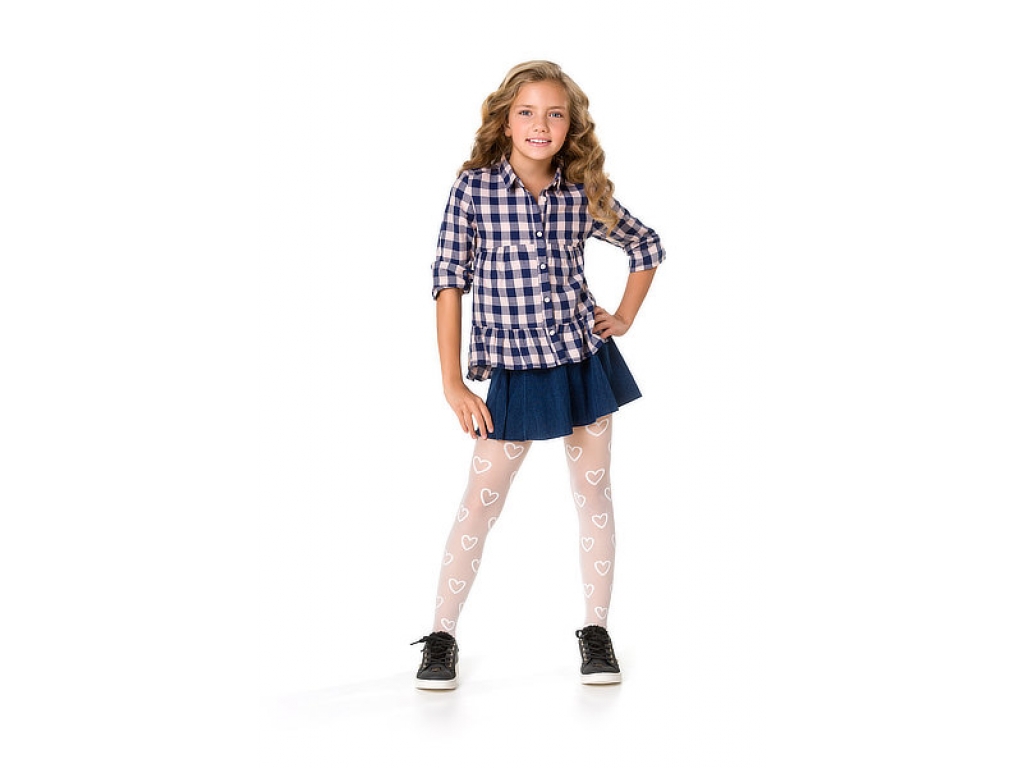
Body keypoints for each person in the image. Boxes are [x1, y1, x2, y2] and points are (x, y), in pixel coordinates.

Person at [412, 60, 665, 690]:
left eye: (555, 114)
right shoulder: (474, 189)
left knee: (593, 495)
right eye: (527, 112)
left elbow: (646, 246)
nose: (540, 125)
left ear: (571, 126)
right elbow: (448, 281)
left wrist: (624, 317)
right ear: (505, 120)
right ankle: (441, 636)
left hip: (583, 362)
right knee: (481, 500)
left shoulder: (580, 191)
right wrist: (453, 383)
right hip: (515, 371)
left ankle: (596, 632)